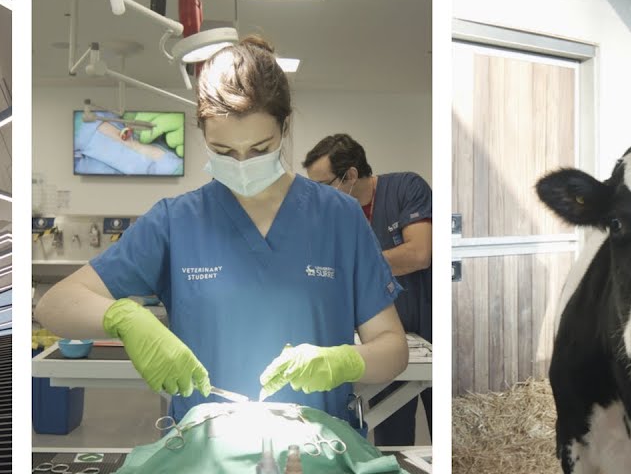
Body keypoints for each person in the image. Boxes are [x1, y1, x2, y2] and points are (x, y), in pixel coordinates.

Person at [35, 36, 409, 424]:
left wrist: (345, 361)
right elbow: (55, 305)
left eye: (261, 149)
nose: (243, 164)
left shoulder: (340, 218)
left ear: (284, 127)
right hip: (202, 458)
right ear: (203, 135)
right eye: (224, 152)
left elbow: (393, 349)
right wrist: (125, 319)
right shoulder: (175, 222)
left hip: (320, 457)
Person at [303, 134, 432, 446]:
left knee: (442, 425)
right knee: (390, 437)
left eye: (323, 185)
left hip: (429, 331)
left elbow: (419, 254)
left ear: (350, 175)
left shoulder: (405, 188)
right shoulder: (333, 216)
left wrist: (358, 268)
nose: (317, 195)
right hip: (382, 338)